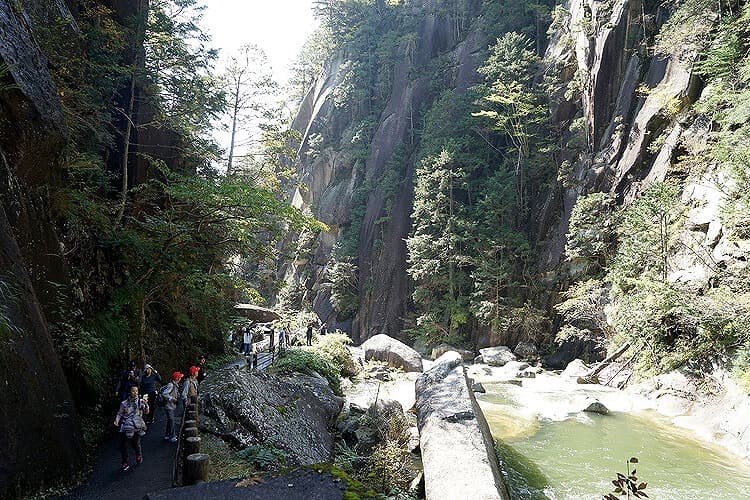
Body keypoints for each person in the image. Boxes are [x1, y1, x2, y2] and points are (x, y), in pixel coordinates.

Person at [114, 385, 149, 471]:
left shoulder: (140, 402)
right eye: (133, 391)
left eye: (136, 391)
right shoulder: (124, 403)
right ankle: (124, 462)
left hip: (137, 425)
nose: (135, 393)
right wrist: (116, 421)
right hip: (126, 425)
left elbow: (146, 412)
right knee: (124, 445)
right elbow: (120, 413)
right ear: (130, 392)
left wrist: (146, 405)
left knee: (135, 443)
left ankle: (138, 455)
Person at [160, 371, 182, 442]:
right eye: (180, 377)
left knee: (170, 420)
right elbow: (164, 394)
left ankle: (167, 435)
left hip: (171, 406)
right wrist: (172, 399)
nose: (181, 379)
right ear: (177, 378)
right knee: (172, 420)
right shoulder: (171, 385)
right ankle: (172, 436)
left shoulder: (175, 384)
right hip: (168, 406)